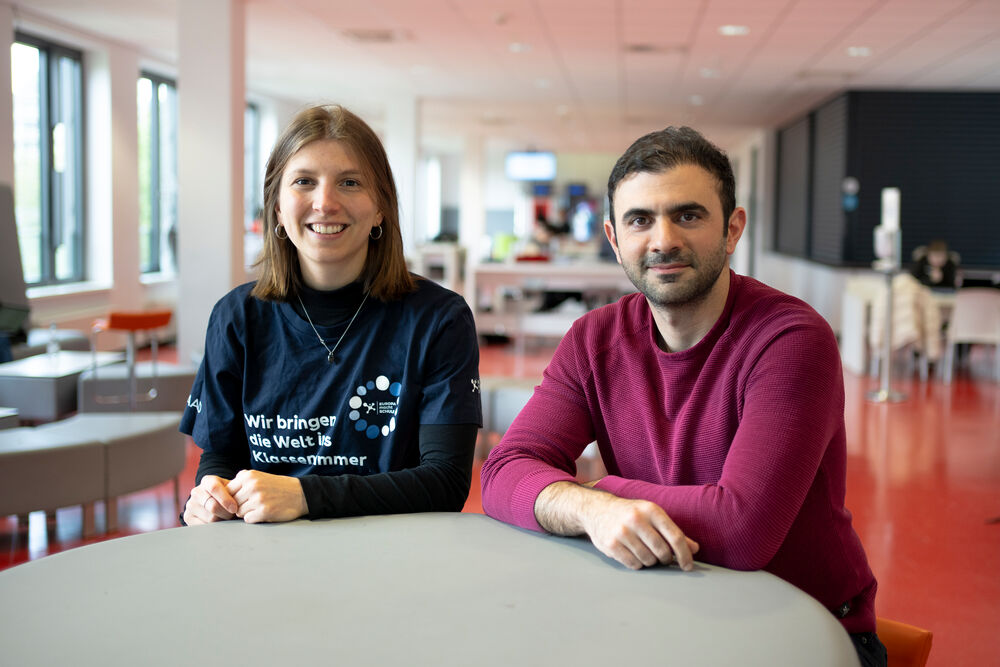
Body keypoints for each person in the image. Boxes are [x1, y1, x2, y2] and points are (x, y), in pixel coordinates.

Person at [480, 126, 885, 666]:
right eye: (640, 219)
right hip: (665, 614)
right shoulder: (593, 340)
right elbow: (503, 471)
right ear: (613, 237)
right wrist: (588, 508)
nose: (663, 239)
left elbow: (742, 531)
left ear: (732, 229)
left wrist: (601, 490)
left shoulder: (791, 339)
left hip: (803, 633)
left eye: (688, 215)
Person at [181, 104, 481, 526]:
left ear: (380, 208)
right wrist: (209, 496)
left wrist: (305, 495)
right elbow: (221, 457)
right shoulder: (236, 317)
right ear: (278, 208)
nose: (325, 202)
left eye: (350, 182)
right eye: (304, 181)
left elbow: (446, 482)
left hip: (393, 559)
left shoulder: (438, 318)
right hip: (262, 559)